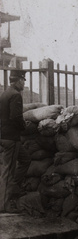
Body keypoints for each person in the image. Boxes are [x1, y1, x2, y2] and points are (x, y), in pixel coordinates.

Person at [0, 69, 31, 213]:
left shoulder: (5, 93)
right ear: (18, 81)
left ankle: (14, 189)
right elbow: (16, 117)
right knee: (8, 171)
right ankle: (4, 205)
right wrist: (25, 126)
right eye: (23, 80)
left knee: (25, 159)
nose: (24, 83)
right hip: (11, 138)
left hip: (7, 136)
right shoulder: (15, 95)